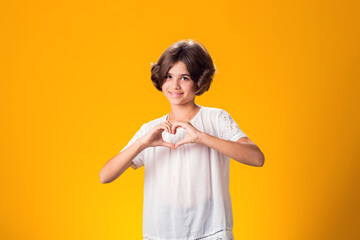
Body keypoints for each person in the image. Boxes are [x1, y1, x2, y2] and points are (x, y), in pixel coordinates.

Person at [99, 39, 265, 240]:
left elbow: (257, 158)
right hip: (161, 233)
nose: (175, 85)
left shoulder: (216, 118)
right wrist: (142, 143)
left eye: (184, 78)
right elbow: (105, 176)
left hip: (211, 230)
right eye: (168, 76)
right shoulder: (150, 130)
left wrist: (202, 137)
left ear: (199, 81)